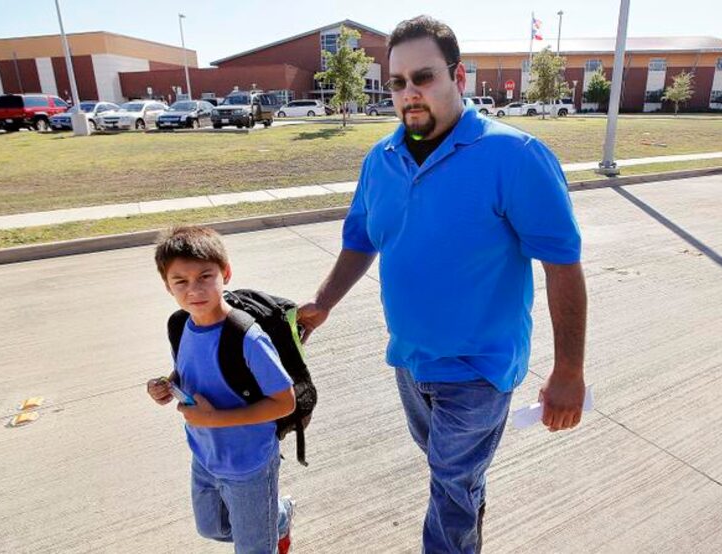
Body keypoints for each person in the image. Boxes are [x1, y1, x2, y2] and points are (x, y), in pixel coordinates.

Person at [297, 15, 587, 554]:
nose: (409, 94)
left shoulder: (515, 157)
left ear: (458, 76)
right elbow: (362, 240)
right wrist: (323, 301)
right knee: (455, 480)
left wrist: (569, 371)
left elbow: (563, 266)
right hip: (409, 361)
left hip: (479, 369)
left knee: (449, 486)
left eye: (423, 78)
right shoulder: (380, 160)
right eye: (397, 83)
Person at [147, 225, 297, 554]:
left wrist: (215, 419)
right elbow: (190, 370)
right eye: (180, 281)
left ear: (225, 273)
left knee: (254, 548)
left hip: (250, 463)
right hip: (204, 455)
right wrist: (168, 385)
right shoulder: (179, 325)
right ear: (167, 285)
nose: (194, 290)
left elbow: (285, 402)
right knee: (211, 527)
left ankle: (269, 524)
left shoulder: (247, 336)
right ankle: (278, 518)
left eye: (205, 276)